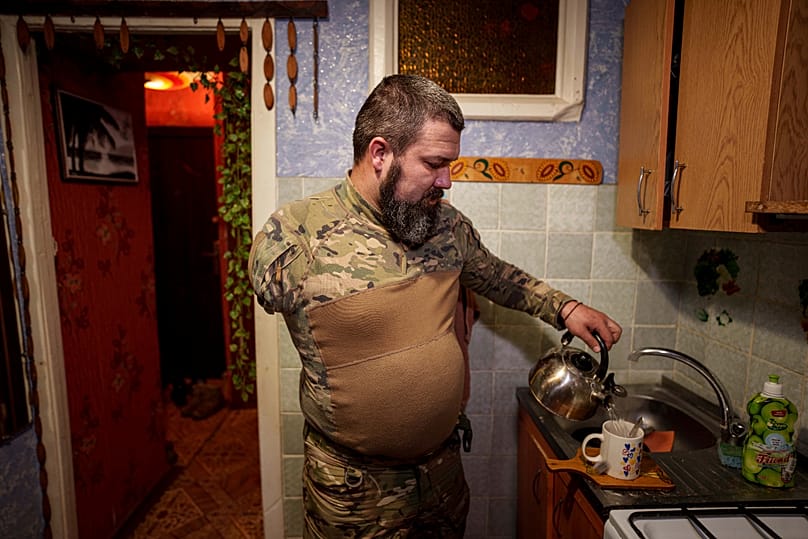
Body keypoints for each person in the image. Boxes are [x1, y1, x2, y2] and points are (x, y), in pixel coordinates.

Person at [249, 74, 622, 538]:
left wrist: (566, 309)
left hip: (442, 476)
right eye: (434, 164)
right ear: (380, 154)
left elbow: (496, 276)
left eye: (450, 165)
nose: (447, 181)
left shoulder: (446, 225)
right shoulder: (296, 235)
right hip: (354, 492)